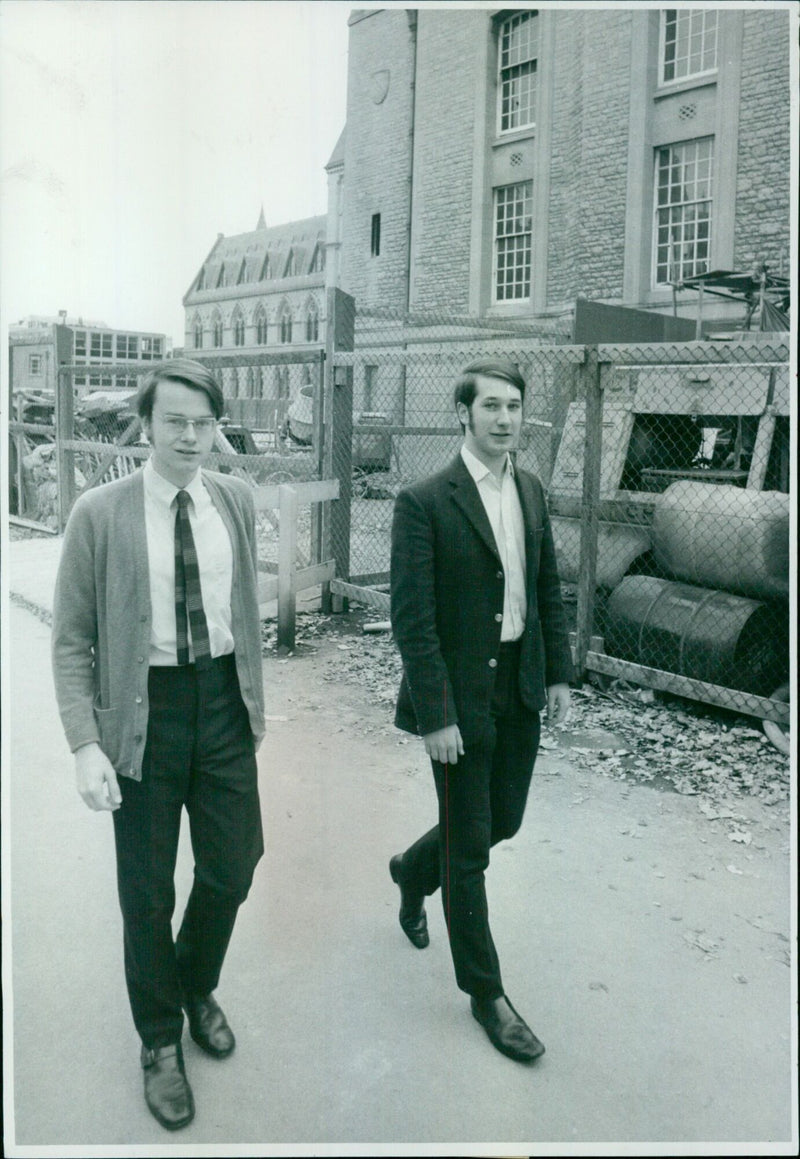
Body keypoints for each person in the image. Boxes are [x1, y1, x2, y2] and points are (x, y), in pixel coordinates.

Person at [52, 359, 265, 1130]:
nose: (188, 435)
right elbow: (73, 638)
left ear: (217, 425)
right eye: (173, 420)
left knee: (235, 862)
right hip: (144, 711)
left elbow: (241, 609)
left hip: (221, 705)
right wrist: (85, 742)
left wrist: (245, 697)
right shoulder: (99, 513)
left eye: (202, 421)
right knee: (146, 890)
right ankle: (160, 1040)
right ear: (147, 425)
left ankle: (192, 978)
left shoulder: (234, 499)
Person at [388, 359, 573, 1063]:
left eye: (514, 407)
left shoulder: (530, 490)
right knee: (469, 852)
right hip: (458, 700)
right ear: (462, 413)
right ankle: (486, 994)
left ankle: (410, 870)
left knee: (503, 821)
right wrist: (435, 714)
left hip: (519, 687)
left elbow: (546, 586)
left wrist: (558, 673)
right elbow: (414, 619)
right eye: (490, 406)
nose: (504, 419)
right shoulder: (425, 500)